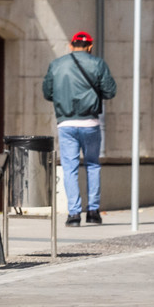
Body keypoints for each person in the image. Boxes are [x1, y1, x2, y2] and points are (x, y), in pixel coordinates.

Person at [42, 30, 117, 227]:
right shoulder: (98, 63)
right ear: (90, 46)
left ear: (70, 45)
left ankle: (74, 215)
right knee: (92, 165)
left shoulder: (56, 65)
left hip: (66, 124)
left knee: (69, 168)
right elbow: (110, 91)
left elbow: (47, 93)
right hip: (90, 122)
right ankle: (93, 212)